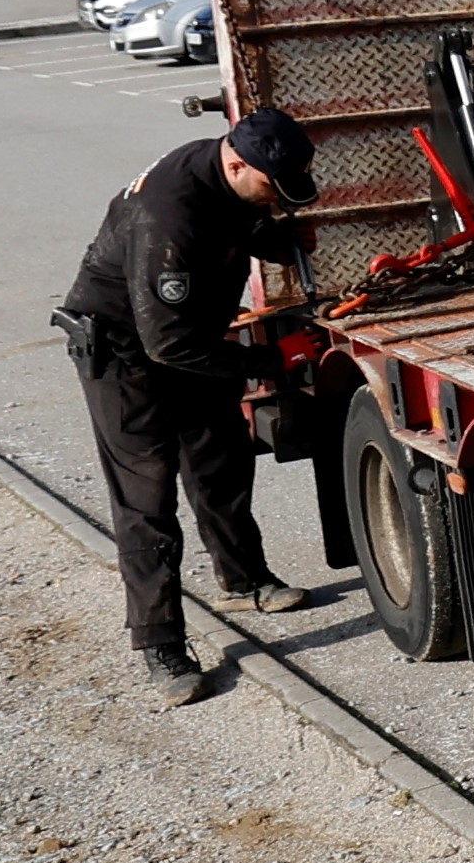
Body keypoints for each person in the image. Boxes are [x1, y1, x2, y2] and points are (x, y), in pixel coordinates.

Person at [60, 106, 328, 701]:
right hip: (126, 352)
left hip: (189, 338)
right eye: (270, 190)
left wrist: (274, 240)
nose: (274, 199)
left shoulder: (222, 169)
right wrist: (268, 359)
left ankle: (243, 578)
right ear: (236, 162)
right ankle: (162, 645)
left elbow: (231, 219)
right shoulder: (169, 215)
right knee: (146, 498)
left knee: (220, 461)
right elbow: (167, 342)